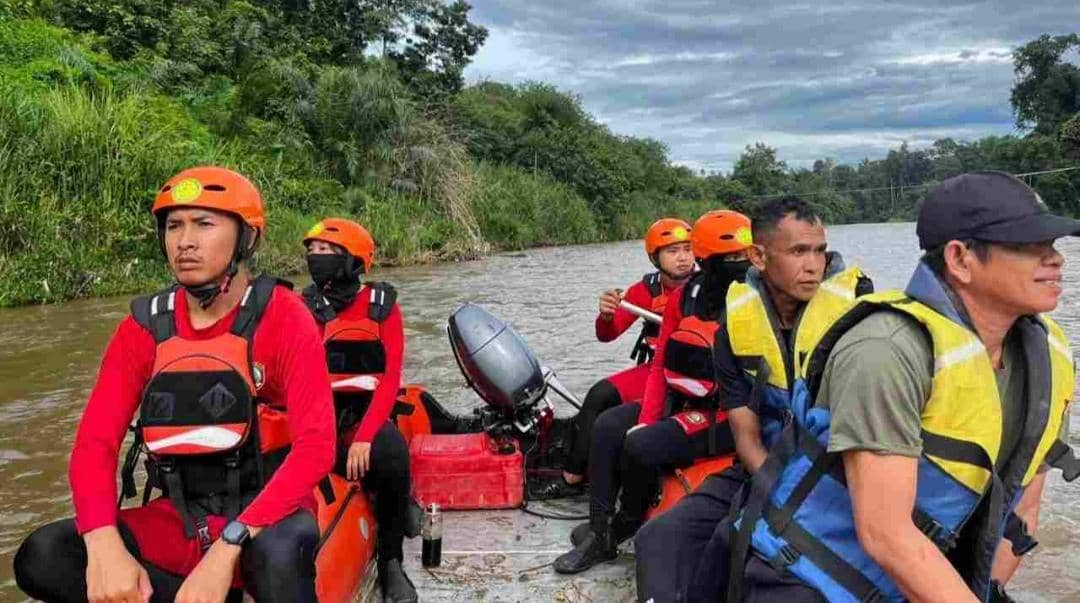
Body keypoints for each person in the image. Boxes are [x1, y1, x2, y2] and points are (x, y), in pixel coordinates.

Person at [721, 172, 1080, 603]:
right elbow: (885, 535)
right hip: (815, 582)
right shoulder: (886, 350)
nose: (1055, 259)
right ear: (960, 259)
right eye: (1029, 246)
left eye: (1052, 245)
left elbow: (1023, 508)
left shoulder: (1048, 357)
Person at [14, 166, 336, 602]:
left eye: (203, 224)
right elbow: (95, 444)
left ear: (247, 238)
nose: (184, 241)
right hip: (182, 515)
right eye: (173, 226)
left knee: (278, 557)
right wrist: (102, 539)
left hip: (267, 515)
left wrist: (228, 546)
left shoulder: (285, 317)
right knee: (42, 555)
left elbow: (316, 448)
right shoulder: (144, 326)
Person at [634, 197, 872, 602]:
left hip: (838, 479)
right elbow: (745, 435)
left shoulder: (858, 314)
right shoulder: (737, 325)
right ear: (758, 256)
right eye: (798, 252)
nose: (813, 265)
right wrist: (775, 492)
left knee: (738, 542)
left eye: (819, 251)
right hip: (765, 467)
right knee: (658, 537)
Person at [553, 210, 752, 574]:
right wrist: (646, 418)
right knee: (608, 425)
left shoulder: (760, 299)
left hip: (726, 410)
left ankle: (626, 520)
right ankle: (600, 533)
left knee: (639, 444)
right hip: (685, 396)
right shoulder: (683, 297)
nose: (740, 264)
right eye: (730, 258)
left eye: (744, 256)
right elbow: (659, 365)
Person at [534, 218, 695, 499]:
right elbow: (607, 335)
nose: (682, 257)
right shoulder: (645, 290)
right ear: (655, 257)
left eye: (687, 249)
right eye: (673, 251)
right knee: (599, 395)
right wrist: (606, 316)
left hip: (693, 372)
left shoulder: (706, 287)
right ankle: (572, 477)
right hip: (657, 369)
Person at [301, 218, 417, 603]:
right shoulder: (303, 307)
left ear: (353, 259)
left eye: (326, 251)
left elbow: (390, 378)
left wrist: (364, 437)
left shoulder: (382, 308)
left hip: (366, 412)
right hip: (319, 414)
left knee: (392, 453)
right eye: (312, 251)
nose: (315, 257)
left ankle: (391, 561)